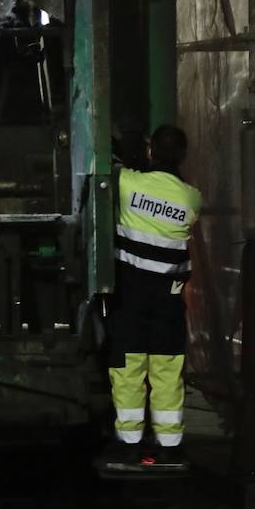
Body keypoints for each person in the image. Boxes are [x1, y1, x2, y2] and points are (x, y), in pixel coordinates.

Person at [107, 124, 202, 467]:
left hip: (131, 293)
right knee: (166, 368)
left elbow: (110, 169)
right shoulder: (191, 197)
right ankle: (170, 444)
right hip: (168, 298)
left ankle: (130, 442)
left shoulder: (127, 184)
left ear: (150, 152)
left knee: (129, 368)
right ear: (183, 156)